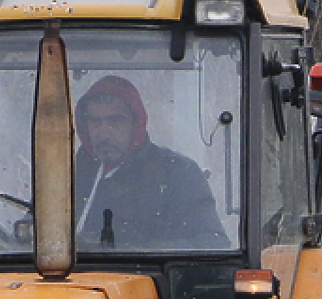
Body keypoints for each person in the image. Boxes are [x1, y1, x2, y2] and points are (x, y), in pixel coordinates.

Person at [74, 75, 227, 250]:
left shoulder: (177, 174)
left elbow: (213, 244)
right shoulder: (68, 177)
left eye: (115, 121)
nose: (104, 134)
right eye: (94, 122)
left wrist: (134, 254)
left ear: (136, 123)